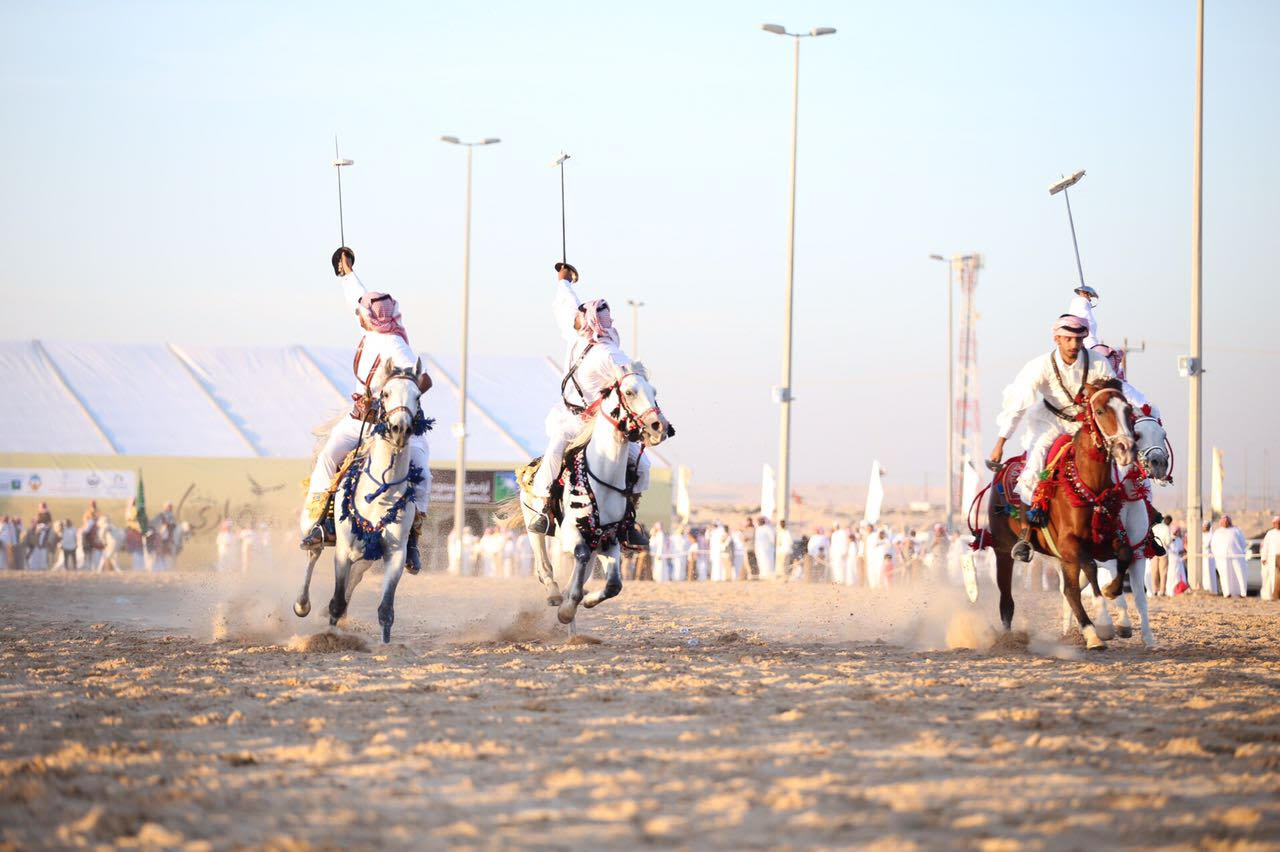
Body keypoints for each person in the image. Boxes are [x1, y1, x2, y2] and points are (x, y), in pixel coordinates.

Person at [300, 247, 433, 573]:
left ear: (372, 318)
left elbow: (421, 380)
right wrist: (346, 272)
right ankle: (319, 523)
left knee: (422, 472)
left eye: (362, 312)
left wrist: (392, 400)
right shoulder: (370, 328)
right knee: (329, 455)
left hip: (389, 425)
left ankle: (412, 538)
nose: (357, 314)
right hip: (357, 418)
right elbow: (356, 297)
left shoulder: (395, 346)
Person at [989, 314, 1152, 563]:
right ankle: (1024, 536)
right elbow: (1017, 405)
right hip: (1048, 421)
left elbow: (1113, 396)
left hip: (1086, 423)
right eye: (1068, 339)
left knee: (1120, 462)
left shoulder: (1098, 363)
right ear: (1056, 339)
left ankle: (1127, 528)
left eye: (1078, 339)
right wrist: (1001, 441)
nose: (1074, 344)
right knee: (1034, 466)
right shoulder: (1039, 366)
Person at [526, 264, 650, 546]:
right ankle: (544, 506)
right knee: (555, 447)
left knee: (643, 465)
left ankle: (629, 517)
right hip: (571, 418)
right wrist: (564, 282)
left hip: (599, 424)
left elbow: (633, 382)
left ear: (590, 322)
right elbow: (566, 307)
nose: (576, 319)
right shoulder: (575, 334)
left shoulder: (609, 354)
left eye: (582, 318)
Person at [1209, 515, 1248, 598]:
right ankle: (1227, 593)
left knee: (1239, 574)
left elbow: (1243, 544)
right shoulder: (1217, 532)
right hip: (1222, 558)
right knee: (1224, 575)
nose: (1225, 522)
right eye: (1224, 521)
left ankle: (1242, 593)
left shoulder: (1237, 531)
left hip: (1236, 556)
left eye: (1227, 521)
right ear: (1221, 522)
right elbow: (1213, 546)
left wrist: (1241, 553)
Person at [1065, 284, 1100, 348]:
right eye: (1089, 296)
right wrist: (1083, 298)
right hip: (1085, 348)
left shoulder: (1086, 310)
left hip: (1091, 347)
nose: (1090, 299)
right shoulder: (1079, 306)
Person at [1149, 515, 1173, 596]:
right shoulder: (1166, 528)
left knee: (1154, 571)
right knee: (1163, 572)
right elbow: (1168, 541)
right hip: (1163, 551)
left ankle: (1155, 590)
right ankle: (1162, 591)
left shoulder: (1154, 527)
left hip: (1154, 551)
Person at [1259, 516, 1280, 600]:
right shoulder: (1270, 533)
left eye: (1279, 523)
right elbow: (1265, 546)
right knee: (1273, 576)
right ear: (1273, 524)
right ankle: (1273, 595)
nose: (1277, 524)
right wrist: (1264, 557)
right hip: (1272, 557)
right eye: (1276, 523)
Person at [1200, 521, 1219, 594]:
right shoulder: (1200, 535)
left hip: (1209, 557)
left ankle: (1211, 590)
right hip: (1202, 557)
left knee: (1209, 573)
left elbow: (1207, 545)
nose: (1204, 527)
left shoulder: (1211, 535)